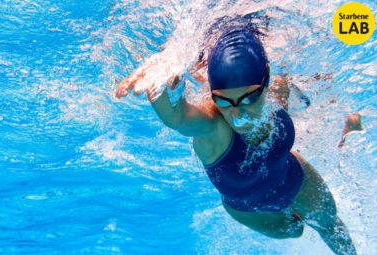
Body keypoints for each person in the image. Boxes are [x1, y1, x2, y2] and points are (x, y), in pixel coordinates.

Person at [115, 23, 357, 255]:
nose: (237, 114)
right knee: (294, 231)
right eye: (223, 100)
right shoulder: (214, 128)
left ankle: (348, 130)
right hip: (248, 209)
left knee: (329, 223)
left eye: (249, 98)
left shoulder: (277, 91)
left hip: (292, 179)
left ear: (265, 84)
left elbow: (300, 92)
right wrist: (161, 86)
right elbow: (178, 117)